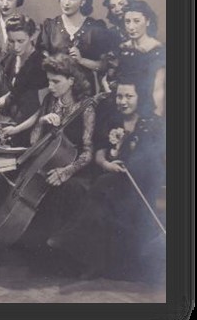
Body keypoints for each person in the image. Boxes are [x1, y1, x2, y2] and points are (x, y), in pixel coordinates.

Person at [51, 78, 165, 281]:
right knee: (99, 199)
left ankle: (70, 241)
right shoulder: (113, 120)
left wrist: (133, 164)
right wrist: (107, 164)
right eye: (119, 96)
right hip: (113, 177)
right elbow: (100, 155)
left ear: (140, 97)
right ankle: (92, 260)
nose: (123, 101)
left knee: (102, 187)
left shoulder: (153, 123)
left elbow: (156, 160)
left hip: (141, 182)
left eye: (129, 96)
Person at [0, 54, 96, 252]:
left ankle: (50, 248)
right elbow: (34, 141)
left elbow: (88, 152)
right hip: (47, 163)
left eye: (56, 81)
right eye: (49, 81)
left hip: (76, 169)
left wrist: (66, 171)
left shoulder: (87, 107)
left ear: (71, 80)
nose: (51, 86)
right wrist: (42, 122)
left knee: (62, 191)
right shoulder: (50, 100)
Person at [39, 0, 111, 94]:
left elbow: (103, 66)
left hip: (86, 92)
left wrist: (81, 60)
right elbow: (43, 62)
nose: (66, 2)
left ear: (83, 1)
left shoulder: (95, 28)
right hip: (57, 92)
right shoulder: (50, 27)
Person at [0, 15, 48, 146]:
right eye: (11, 41)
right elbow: (13, 94)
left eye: (20, 41)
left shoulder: (41, 64)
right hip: (12, 121)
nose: (16, 47)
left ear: (32, 36)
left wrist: (17, 129)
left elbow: (44, 108)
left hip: (32, 127)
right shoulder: (11, 59)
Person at [112, 0, 166, 116]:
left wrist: (156, 118)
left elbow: (158, 91)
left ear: (147, 21)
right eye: (127, 21)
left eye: (136, 21)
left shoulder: (158, 51)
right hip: (124, 105)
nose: (131, 27)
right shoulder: (123, 49)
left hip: (147, 108)